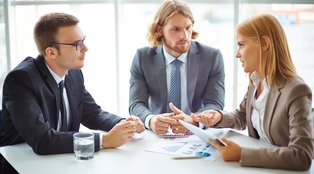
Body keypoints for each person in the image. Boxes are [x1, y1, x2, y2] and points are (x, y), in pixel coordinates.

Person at [0, 12, 145, 155]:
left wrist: (125, 124)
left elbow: (92, 114)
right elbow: (42, 140)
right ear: (51, 52)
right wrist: (105, 140)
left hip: (62, 160)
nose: (85, 48)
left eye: (83, 40)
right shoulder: (20, 80)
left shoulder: (73, 73)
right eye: (77, 44)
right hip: (20, 163)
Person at [191, 14, 313, 170]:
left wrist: (241, 154)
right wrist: (218, 116)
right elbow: (240, 117)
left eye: (241, 45)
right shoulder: (256, 82)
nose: (237, 54)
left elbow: (302, 156)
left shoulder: (296, 90)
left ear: (264, 43)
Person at [129, 0, 225, 135]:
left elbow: (215, 104)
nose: (184, 36)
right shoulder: (142, 58)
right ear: (159, 29)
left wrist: (194, 121)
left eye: (188, 28)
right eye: (175, 29)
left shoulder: (212, 57)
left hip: (197, 134)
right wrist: (151, 120)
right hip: (157, 134)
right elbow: (136, 104)